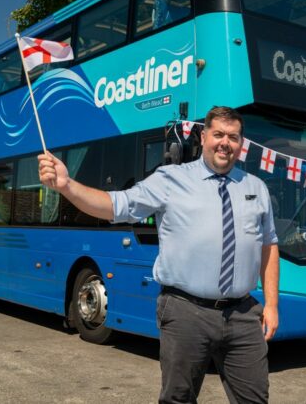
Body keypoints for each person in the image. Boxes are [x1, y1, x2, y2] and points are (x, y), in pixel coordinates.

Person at [38, 106, 279, 404]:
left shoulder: (256, 187)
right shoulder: (170, 179)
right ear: (203, 137)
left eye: (233, 136)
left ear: (241, 144)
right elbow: (117, 206)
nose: (224, 143)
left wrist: (272, 304)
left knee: (256, 399)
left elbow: (269, 245)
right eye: (218, 134)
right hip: (186, 310)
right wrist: (67, 186)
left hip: (243, 313)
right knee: (178, 398)